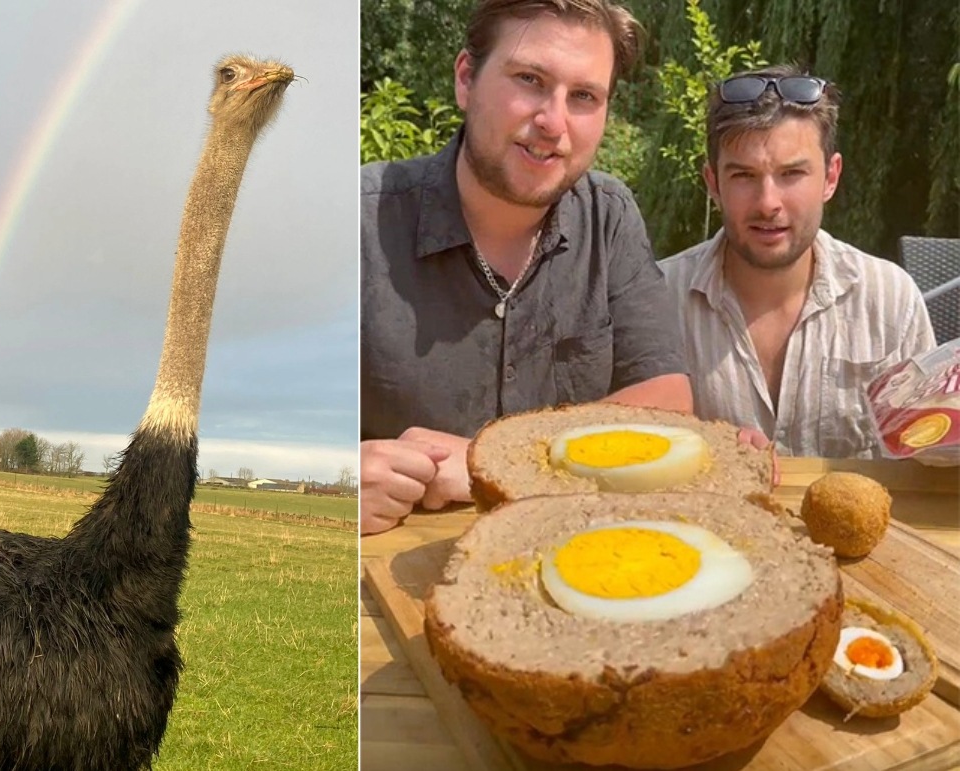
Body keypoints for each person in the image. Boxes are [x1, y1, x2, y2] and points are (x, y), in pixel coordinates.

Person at [360, 0, 693, 535]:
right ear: (466, 79)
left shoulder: (609, 216)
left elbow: (667, 403)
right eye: (530, 80)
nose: (553, 122)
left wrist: (493, 461)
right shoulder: (358, 222)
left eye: (583, 96)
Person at [660, 65, 936, 460]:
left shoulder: (890, 301)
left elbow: (925, 460)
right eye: (743, 175)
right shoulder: (657, 301)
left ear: (830, 177)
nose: (768, 202)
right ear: (713, 184)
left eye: (791, 173)